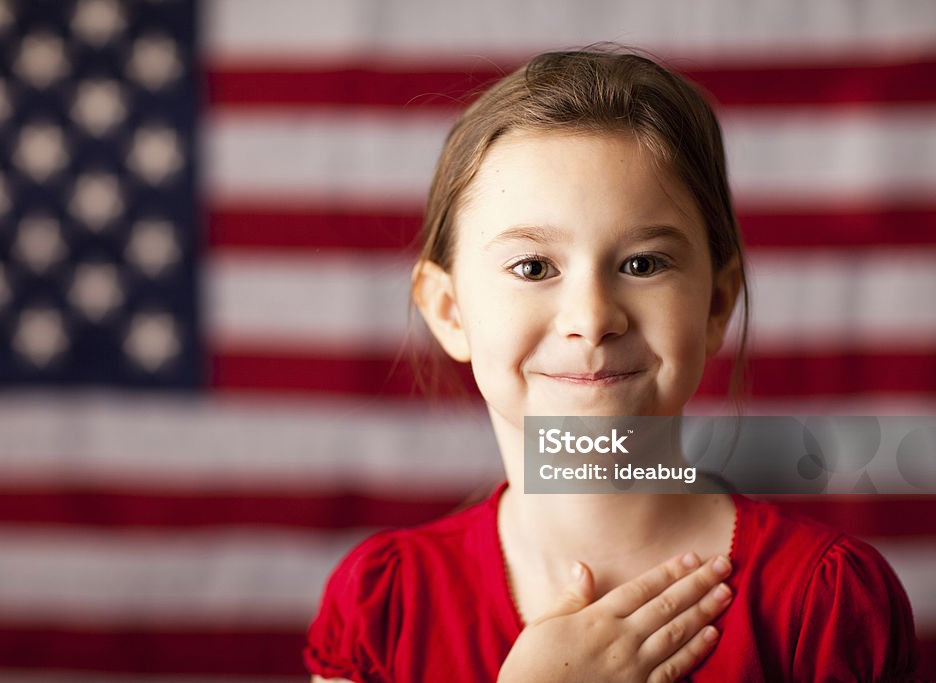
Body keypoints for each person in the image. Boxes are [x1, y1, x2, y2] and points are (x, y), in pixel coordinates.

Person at [303, 46, 918, 682]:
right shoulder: (382, 607)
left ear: (715, 303)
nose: (593, 318)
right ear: (449, 310)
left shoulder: (826, 602)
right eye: (534, 267)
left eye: (644, 264)